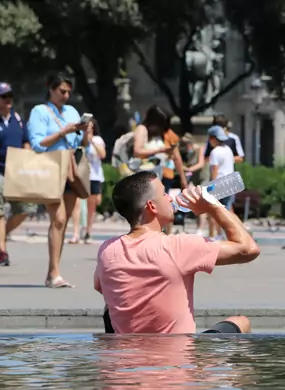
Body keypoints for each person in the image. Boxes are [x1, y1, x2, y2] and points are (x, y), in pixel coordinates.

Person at [94, 171, 260, 334]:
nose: (171, 198)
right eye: (165, 193)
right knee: (241, 323)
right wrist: (213, 206)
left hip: (126, 357)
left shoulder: (107, 250)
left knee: (111, 308)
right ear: (152, 206)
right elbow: (248, 249)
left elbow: (100, 286)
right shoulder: (178, 246)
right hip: (178, 358)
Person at [27, 73, 92, 288]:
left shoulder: (72, 111)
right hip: (51, 168)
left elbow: (81, 143)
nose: (65, 95)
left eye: (68, 92)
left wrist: (85, 132)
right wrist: (65, 130)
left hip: (71, 171)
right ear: (50, 89)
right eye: (61, 91)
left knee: (62, 224)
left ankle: (53, 271)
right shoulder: (40, 112)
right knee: (59, 219)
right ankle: (54, 273)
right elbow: (38, 144)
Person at [0, 82, 38, 265]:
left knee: (27, 208)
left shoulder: (18, 118)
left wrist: (27, 155)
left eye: (10, 97)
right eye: (4, 97)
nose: (8, 100)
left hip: (17, 171)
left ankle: (2, 235)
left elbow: (26, 141)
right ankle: (2, 251)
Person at [180, 132, 207, 235]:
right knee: (195, 203)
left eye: (187, 144)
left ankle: (200, 229)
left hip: (204, 178)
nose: (186, 147)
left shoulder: (200, 148)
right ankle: (198, 227)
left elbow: (201, 164)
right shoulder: (188, 153)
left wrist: (188, 169)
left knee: (202, 202)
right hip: (195, 179)